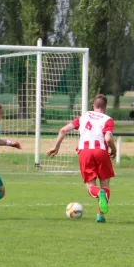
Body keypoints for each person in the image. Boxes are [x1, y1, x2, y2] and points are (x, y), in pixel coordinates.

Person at [47, 94, 116, 223]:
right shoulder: (108, 119)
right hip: (101, 152)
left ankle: (97, 193)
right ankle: (100, 215)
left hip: (84, 153)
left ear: (93, 105)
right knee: (105, 185)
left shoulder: (83, 117)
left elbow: (63, 130)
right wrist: (114, 149)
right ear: (105, 107)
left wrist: (56, 147)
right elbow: (108, 138)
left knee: (90, 186)